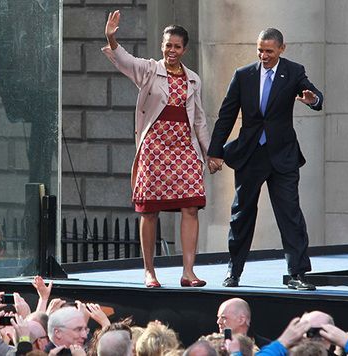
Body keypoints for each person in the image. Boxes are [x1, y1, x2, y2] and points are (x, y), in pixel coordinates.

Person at [207, 28, 323, 289]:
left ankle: (298, 274)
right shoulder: (243, 75)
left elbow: (314, 95)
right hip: (250, 155)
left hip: (283, 156)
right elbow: (226, 115)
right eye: (260, 50)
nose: (263, 55)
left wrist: (313, 100)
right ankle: (233, 272)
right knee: (242, 214)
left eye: (269, 51)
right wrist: (215, 152)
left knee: (290, 213)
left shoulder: (293, 71)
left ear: (282, 49)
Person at [103, 10, 211, 288]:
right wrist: (112, 38)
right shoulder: (150, 70)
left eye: (177, 46)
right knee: (149, 210)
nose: (171, 50)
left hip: (184, 147)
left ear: (184, 49)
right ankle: (149, 271)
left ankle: (188, 271)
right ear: (161, 46)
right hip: (154, 147)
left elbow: (199, 118)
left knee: (191, 205)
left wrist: (209, 152)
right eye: (167, 45)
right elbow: (125, 60)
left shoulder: (193, 79)